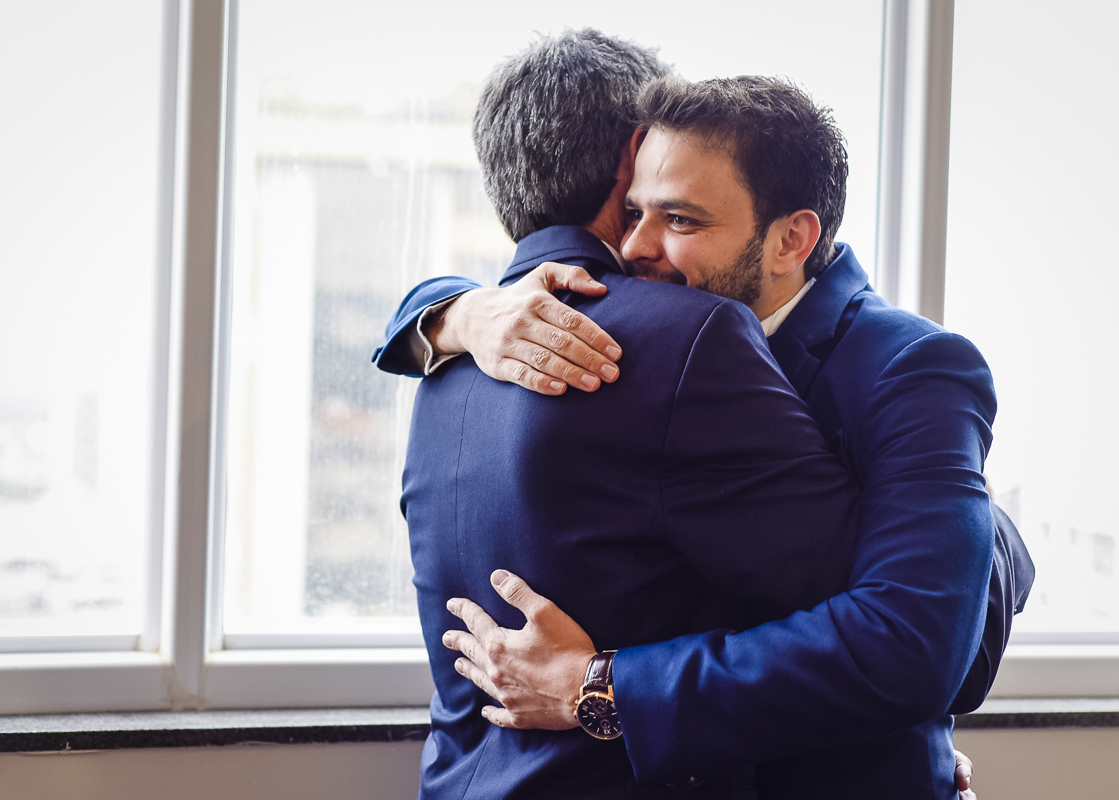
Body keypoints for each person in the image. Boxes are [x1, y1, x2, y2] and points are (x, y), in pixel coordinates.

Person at [376, 66, 1033, 799]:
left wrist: (597, 687)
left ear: (791, 240)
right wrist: (449, 312)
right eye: (634, 212)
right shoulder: (568, 331)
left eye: (681, 220)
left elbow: (919, 648)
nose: (635, 248)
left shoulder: (912, 368)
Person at [393, 29, 864, 799]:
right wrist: (966, 500)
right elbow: (859, 588)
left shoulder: (446, 360)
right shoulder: (688, 337)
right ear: (634, 156)